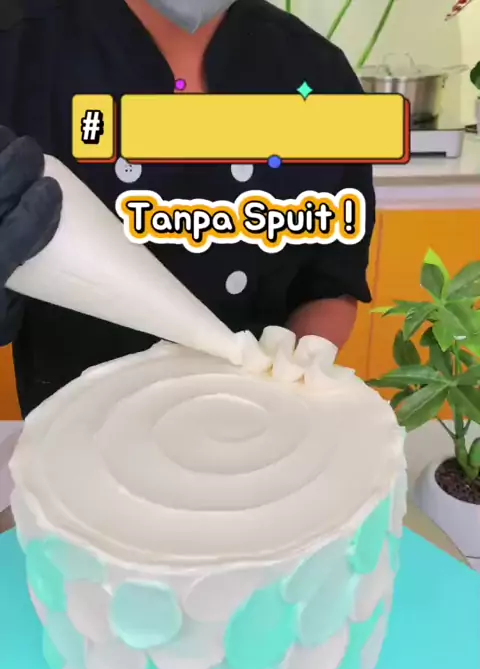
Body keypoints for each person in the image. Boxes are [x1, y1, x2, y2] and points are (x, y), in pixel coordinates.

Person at [0, 0, 375, 416]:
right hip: (71, 429)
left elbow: (331, 281)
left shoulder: (319, 73)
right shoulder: (19, 48)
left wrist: (304, 365)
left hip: (256, 424)